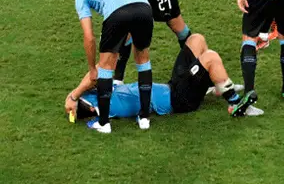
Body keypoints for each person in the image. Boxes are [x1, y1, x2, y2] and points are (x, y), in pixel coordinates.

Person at [65, 33, 258, 122]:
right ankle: (235, 105)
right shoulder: (109, 107)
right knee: (210, 58)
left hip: (172, 87)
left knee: (195, 40)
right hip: (180, 100)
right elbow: (95, 75)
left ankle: (211, 84)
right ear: (91, 106)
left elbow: (90, 85)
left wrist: (74, 98)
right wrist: (74, 97)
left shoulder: (94, 99)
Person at [69, 0, 155, 133]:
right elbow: (131, 7)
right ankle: (144, 117)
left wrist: (92, 68)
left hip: (117, 14)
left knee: (106, 66)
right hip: (144, 8)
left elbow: (89, 37)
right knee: (143, 59)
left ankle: (103, 123)